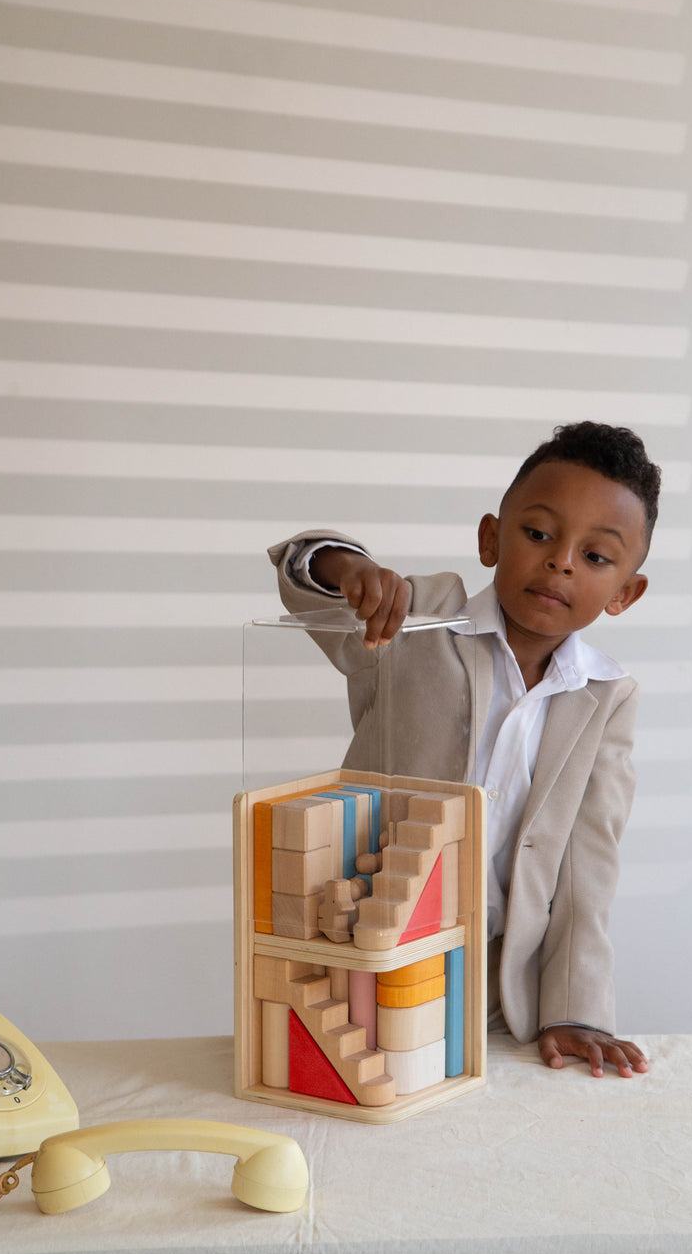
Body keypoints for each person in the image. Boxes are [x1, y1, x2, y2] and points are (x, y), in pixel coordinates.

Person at [269, 422, 658, 1079]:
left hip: (503, 996)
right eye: (538, 534)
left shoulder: (607, 695)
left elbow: (589, 865)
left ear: (625, 592)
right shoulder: (416, 618)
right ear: (490, 538)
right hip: (372, 962)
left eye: (596, 557)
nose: (561, 560)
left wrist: (579, 1010)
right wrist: (353, 571)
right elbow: (303, 568)